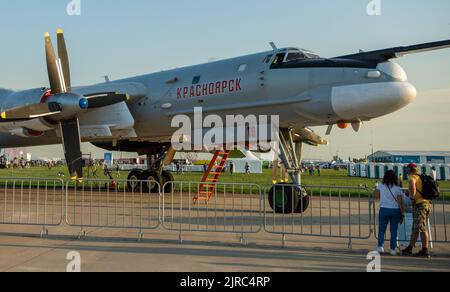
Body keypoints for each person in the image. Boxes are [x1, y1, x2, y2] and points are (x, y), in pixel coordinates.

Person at [402, 164, 432, 258]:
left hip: (420, 205)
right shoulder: (421, 177)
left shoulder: (413, 176)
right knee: (418, 227)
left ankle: (424, 250)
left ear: (410, 170)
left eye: (407, 170)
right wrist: (409, 191)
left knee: (421, 228)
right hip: (426, 204)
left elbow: (412, 184)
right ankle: (410, 248)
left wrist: (411, 196)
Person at [374, 170, 405, 256]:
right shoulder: (397, 187)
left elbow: (375, 196)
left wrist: (376, 189)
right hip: (395, 210)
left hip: (384, 209)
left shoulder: (380, 185)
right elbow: (399, 202)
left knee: (381, 229)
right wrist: (402, 213)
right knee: (393, 230)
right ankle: (392, 249)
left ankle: (380, 247)